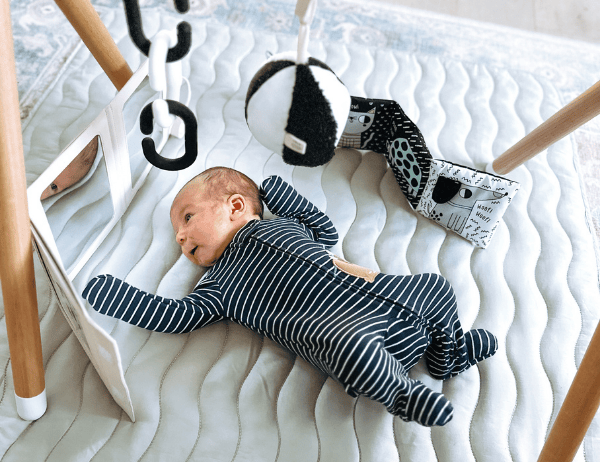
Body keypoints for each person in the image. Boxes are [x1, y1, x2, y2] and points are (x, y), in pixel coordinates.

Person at [82, 166, 498, 427]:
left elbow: (325, 231)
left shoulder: (286, 228)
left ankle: (450, 353)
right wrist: (113, 294)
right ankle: (402, 394)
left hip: (384, 294)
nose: (180, 236)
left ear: (236, 205)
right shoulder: (219, 284)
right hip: (345, 331)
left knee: (438, 287)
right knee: (350, 348)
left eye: (187, 218)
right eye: (177, 234)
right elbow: (177, 315)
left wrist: (281, 194)